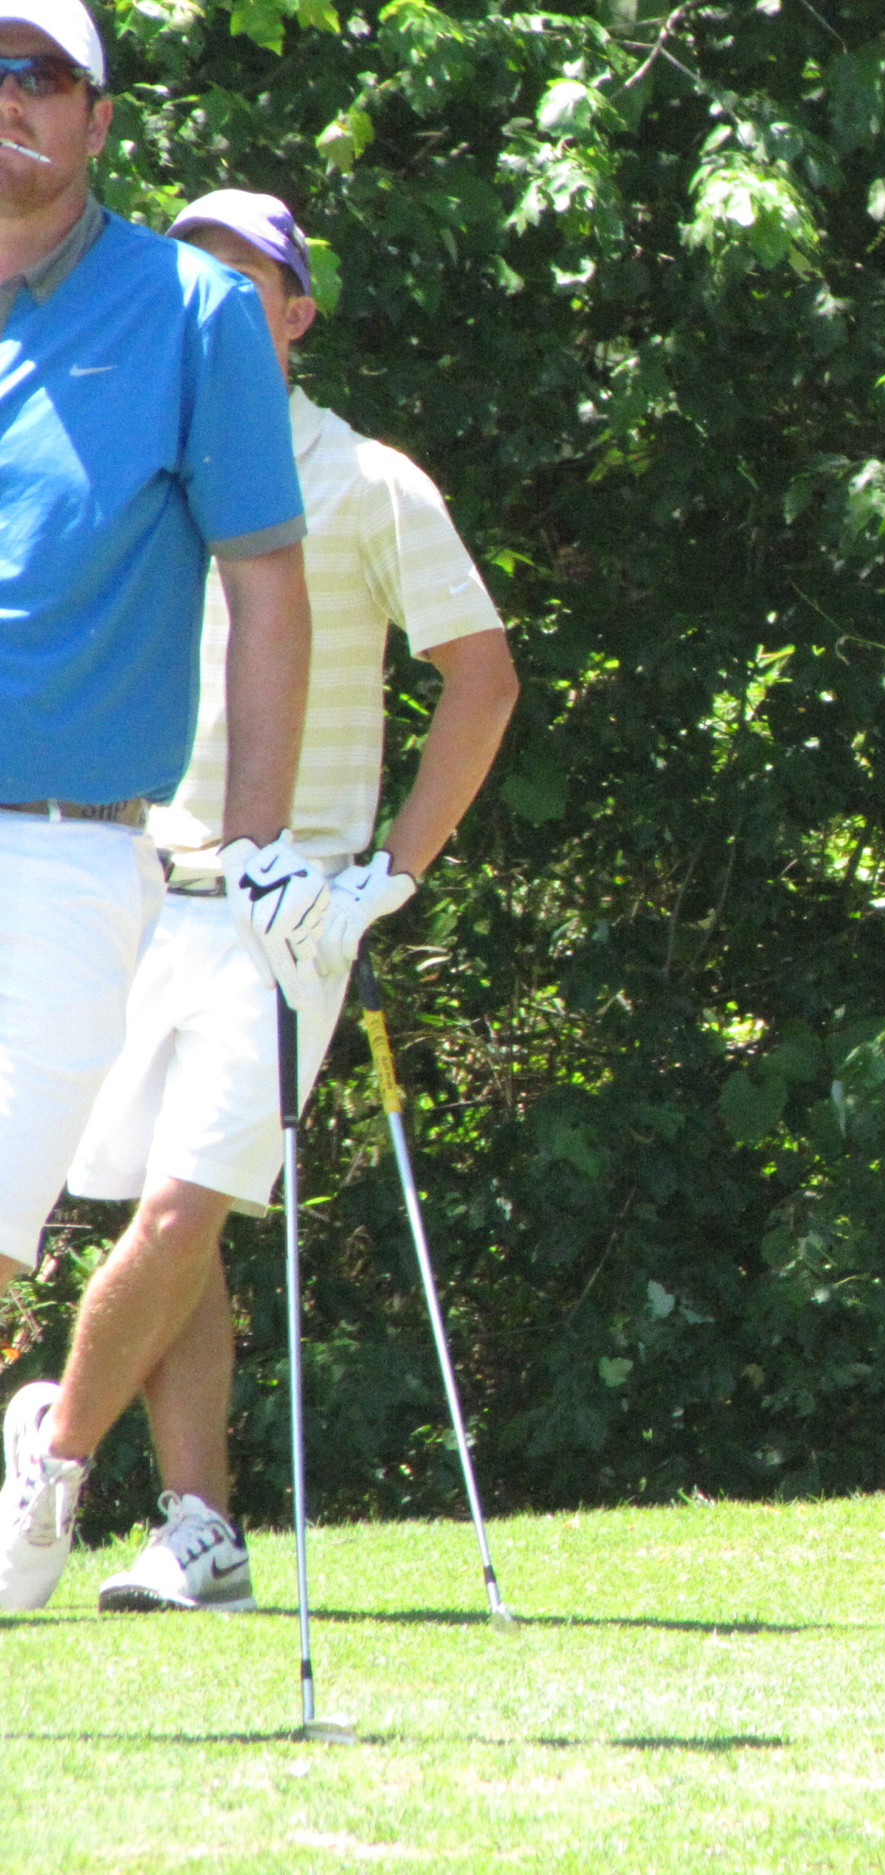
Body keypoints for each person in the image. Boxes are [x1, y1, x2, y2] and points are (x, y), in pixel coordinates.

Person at [0, 187, 517, 1615]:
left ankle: (49, 1460)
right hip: (125, 881)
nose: (221, 302)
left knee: (182, 1212)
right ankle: (200, 1526)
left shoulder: (367, 477)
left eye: (253, 282)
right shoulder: (137, 450)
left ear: (294, 313)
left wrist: (387, 878)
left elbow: (482, 675)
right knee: (169, 1233)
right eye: (198, 276)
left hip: (284, 910)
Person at [0, 3, 327, 1610]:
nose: (7, 102)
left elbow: (270, 588)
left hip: (55, 840)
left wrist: (262, 845)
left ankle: (52, 1464)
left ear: (101, 119)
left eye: (38, 76)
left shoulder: (196, 309)